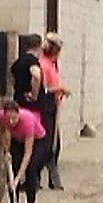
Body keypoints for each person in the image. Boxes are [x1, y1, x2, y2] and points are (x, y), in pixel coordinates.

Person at [0, 98, 49, 203]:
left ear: (18, 113)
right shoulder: (0, 117)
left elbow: (28, 153)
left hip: (37, 141)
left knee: (31, 169)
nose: (11, 122)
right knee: (12, 167)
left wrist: (18, 178)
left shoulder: (27, 121)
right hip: (17, 139)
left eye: (14, 118)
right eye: (8, 119)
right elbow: (1, 133)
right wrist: (5, 149)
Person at [38, 32, 73, 190]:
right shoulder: (44, 65)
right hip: (46, 106)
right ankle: (38, 177)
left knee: (54, 143)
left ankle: (52, 176)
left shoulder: (53, 64)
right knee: (47, 144)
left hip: (53, 105)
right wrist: (59, 89)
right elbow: (43, 88)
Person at [10, 34, 44, 109]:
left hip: (18, 101)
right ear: (39, 47)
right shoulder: (32, 61)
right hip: (31, 105)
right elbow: (36, 75)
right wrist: (34, 95)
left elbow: (11, 78)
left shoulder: (18, 61)